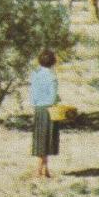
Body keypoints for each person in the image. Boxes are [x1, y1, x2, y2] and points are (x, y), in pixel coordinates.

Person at [30, 49, 60, 179]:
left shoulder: (35, 74)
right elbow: (53, 98)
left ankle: (45, 169)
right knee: (47, 140)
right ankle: (38, 171)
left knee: (41, 139)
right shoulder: (52, 77)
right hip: (49, 110)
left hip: (38, 109)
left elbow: (33, 96)